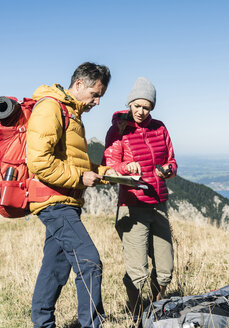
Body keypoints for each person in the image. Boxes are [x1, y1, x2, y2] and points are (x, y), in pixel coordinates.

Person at [26, 62, 115, 328]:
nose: (97, 102)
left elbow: (77, 164)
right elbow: (39, 161)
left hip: (65, 200)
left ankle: (42, 323)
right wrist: (78, 178)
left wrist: (114, 173)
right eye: (95, 94)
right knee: (90, 262)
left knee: (55, 267)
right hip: (53, 201)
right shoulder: (50, 108)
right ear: (79, 85)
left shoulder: (71, 114)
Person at [102, 77, 178, 321]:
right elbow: (109, 167)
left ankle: (154, 315)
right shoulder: (119, 130)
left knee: (165, 270)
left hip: (158, 205)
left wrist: (166, 170)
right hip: (132, 206)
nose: (141, 111)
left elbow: (173, 162)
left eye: (146, 107)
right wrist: (127, 167)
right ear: (130, 104)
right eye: (137, 105)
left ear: (152, 108)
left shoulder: (160, 128)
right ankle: (136, 316)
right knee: (138, 272)